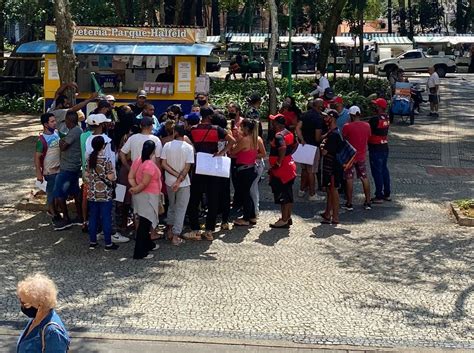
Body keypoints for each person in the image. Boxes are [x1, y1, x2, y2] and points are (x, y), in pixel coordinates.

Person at [184, 109, 235, 241]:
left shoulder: (193, 129)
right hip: (212, 165)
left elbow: (186, 141)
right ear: (211, 116)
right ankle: (209, 230)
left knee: (194, 199)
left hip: (198, 164)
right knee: (213, 199)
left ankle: (195, 229)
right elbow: (232, 141)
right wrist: (221, 152)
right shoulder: (217, 129)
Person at [85, 113, 130, 243]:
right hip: (106, 184)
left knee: (93, 214)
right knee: (109, 211)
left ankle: (95, 236)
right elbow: (112, 161)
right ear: (102, 125)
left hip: (93, 184)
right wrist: (113, 179)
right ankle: (111, 234)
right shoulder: (107, 141)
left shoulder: (88, 139)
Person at [16, 273, 70, 353]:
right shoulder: (35, 319)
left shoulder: (53, 332)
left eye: (25, 303)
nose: (22, 306)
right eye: (21, 301)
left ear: (40, 305)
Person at [161, 124, 194, 245]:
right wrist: (179, 179)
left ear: (175, 132)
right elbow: (187, 168)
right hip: (184, 182)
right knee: (181, 208)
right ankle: (176, 235)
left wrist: (174, 176)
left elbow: (163, 164)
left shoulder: (167, 145)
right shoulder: (188, 148)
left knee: (172, 206)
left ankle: (169, 230)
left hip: (169, 180)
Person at [85, 135, 119, 251]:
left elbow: (87, 174)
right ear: (103, 146)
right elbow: (111, 177)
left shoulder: (90, 159)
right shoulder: (106, 160)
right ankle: (108, 243)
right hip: (105, 193)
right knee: (106, 218)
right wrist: (113, 175)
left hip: (92, 192)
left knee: (93, 217)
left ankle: (92, 241)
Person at [128, 140, 161, 259]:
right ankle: (140, 252)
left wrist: (134, 187)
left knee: (143, 221)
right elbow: (145, 183)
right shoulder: (149, 165)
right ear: (153, 151)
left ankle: (149, 244)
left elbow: (131, 176)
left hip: (140, 196)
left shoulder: (137, 160)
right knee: (145, 224)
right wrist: (137, 188)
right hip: (148, 196)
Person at [53, 112, 83, 231]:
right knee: (75, 192)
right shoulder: (77, 130)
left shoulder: (75, 131)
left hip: (68, 167)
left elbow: (63, 146)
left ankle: (66, 219)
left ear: (69, 121)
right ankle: (80, 216)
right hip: (74, 166)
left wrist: (60, 140)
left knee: (59, 193)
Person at [268, 114, 297, 228]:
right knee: (288, 194)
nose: (272, 123)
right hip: (290, 165)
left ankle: (284, 219)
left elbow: (283, 147)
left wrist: (279, 162)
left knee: (283, 195)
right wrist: (288, 156)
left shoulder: (279, 136)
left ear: (276, 123)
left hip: (282, 170)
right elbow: (296, 144)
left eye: (273, 121)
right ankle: (287, 217)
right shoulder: (289, 132)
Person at [342, 106, 372, 210]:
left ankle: (349, 203)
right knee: (364, 177)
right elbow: (369, 137)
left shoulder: (347, 126)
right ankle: (368, 201)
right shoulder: (367, 126)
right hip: (361, 155)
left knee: (349, 178)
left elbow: (344, 139)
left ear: (351, 115)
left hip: (350, 156)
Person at [231, 119, 260, 226]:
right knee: (247, 193)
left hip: (245, 170)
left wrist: (235, 142)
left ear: (246, 128)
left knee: (245, 194)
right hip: (251, 168)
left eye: (241, 127)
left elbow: (233, 151)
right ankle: (252, 216)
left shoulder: (245, 140)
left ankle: (246, 218)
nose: (240, 129)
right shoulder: (256, 138)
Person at [295, 98, 324, 200]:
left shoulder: (304, 114)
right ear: (319, 106)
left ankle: (301, 190)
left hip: (304, 146)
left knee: (304, 169)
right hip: (313, 147)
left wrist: (302, 139)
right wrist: (326, 135)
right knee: (311, 171)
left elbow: (297, 127)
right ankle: (312, 194)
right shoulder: (318, 118)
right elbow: (317, 137)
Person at [34, 113, 61, 221]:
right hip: (49, 171)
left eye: (55, 121)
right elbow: (36, 158)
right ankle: (52, 212)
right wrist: (39, 174)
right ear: (45, 124)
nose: (55, 123)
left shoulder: (57, 133)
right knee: (51, 192)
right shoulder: (41, 141)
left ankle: (55, 210)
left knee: (57, 191)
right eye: (52, 121)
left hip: (59, 169)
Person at [320, 110, 344, 225]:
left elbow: (325, 152)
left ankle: (335, 216)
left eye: (326, 117)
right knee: (330, 190)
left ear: (332, 118)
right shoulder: (332, 132)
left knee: (333, 191)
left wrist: (322, 147)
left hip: (333, 167)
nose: (325, 119)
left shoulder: (334, 134)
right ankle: (327, 213)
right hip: (330, 166)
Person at [368, 98, 391, 204]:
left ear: (379, 107)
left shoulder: (374, 119)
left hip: (375, 148)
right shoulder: (386, 117)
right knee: (384, 170)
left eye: (376, 106)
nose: (374, 107)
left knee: (377, 172)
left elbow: (368, 131)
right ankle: (387, 193)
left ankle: (379, 195)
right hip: (384, 146)